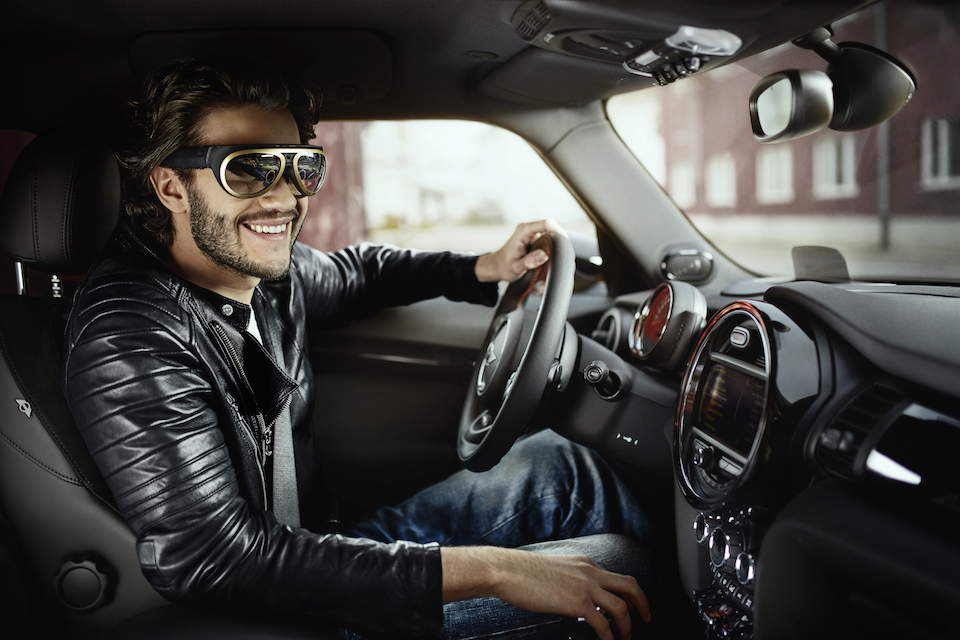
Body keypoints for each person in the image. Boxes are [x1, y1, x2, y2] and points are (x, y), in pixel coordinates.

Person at [61, 55, 656, 640]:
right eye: (248, 170)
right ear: (170, 185)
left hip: (326, 549)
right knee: (615, 568)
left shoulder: (262, 272)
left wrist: (480, 268)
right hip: (285, 611)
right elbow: (215, 558)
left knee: (566, 465)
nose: (284, 198)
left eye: (301, 168)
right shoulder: (130, 333)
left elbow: (360, 273)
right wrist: (498, 571)